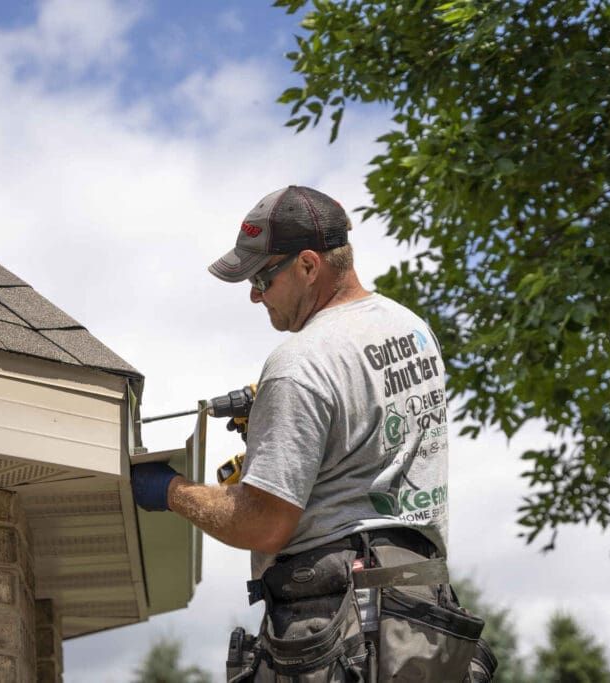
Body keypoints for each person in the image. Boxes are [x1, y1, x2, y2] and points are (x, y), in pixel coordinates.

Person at [131, 186, 488, 681]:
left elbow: (263, 524)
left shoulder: (299, 365)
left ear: (307, 265)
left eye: (261, 277)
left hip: (341, 629)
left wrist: (169, 490)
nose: (255, 295)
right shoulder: (411, 329)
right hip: (419, 621)